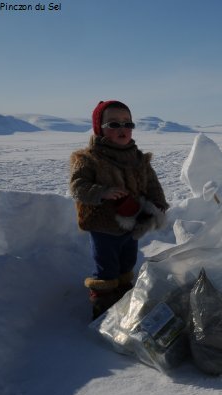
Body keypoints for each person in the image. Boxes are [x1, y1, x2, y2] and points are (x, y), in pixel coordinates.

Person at [70, 100, 169, 319]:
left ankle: (124, 296)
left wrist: (158, 204)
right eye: (113, 124)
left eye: (127, 123)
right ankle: (103, 308)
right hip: (103, 225)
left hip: (133, 222)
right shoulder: (89, 159)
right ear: (99, 128)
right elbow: (78, 186)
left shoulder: (138, 159)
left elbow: (153, 184)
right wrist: (101, 192)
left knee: (127, 261)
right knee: (106, 267)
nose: (122, 128)